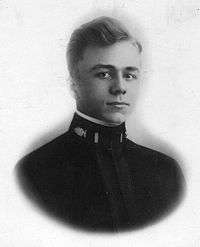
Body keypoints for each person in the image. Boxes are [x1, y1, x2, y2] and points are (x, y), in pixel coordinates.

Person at [16, 16, 185, 232]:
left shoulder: (166, 171)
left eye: (130, 74)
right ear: (73, 83)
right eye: (104, 74)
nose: (120, 87)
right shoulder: (32, 172)